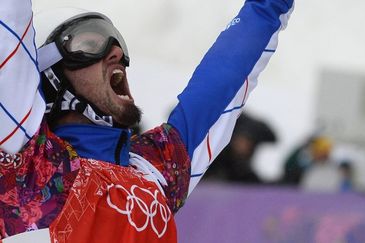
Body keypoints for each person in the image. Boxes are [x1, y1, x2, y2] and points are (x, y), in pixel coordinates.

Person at [0, 0, 294, 242]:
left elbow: (223, 77)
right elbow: (9, 24)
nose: (117, 53)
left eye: (119, 44)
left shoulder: (156, 169)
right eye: (90, 42)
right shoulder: (28, 164)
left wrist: (268, 6)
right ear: (49, 77)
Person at [205, 112, 277, 183]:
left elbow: (273, 138)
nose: (242, 146)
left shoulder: (248, 123)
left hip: (240, 176)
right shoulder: (222, 124)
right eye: (241, 142)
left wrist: (248, 135)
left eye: (247, 144)